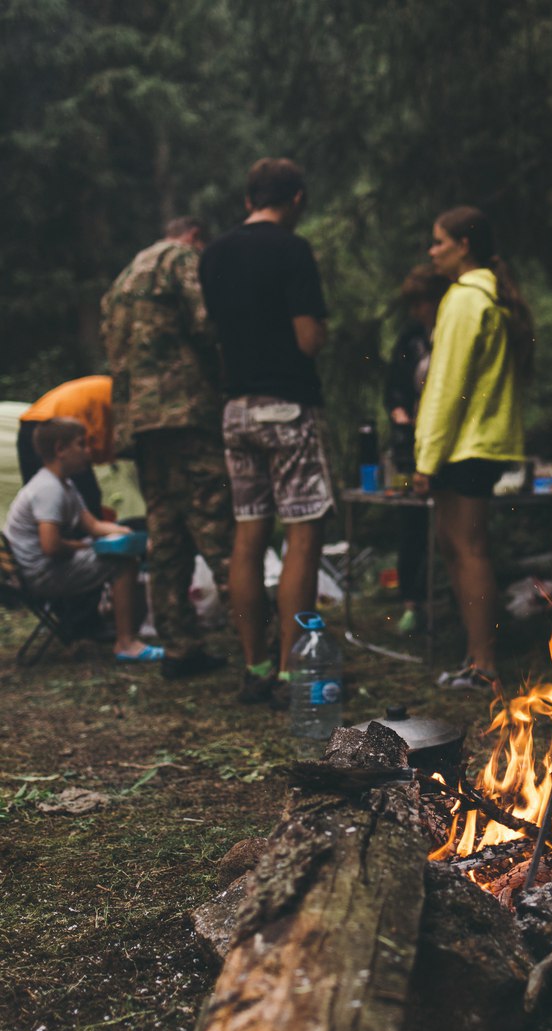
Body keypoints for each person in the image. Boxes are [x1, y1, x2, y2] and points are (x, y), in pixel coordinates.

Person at [199, 157, 333, 709]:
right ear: (297, 199)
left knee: (248, 534)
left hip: (236, 409)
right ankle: (290, 674)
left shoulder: (213, 254)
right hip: (287, 407)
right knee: (302, 533)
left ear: (248, 198)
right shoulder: (292, 249)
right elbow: (308, 340)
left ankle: (255, 667)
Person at [101, 216, 233, 680]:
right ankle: (262, 644)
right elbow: (206, 323)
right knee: (216, 524)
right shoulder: (181, 260)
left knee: (166, 533)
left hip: (140, 421)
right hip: (186, 411)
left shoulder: (123, 278)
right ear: (195, 236)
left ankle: (179, 646)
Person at [413, 205, 533, 691]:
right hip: (472, 442)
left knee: (468, 549)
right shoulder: (487, 295)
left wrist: (426, 459)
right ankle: (473, 658)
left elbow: (447, 386)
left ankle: (484, 664)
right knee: (457, 547)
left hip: (465, 444)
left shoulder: (465, 299)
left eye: (439, 241)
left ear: (464, 246)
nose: (432, 251)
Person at [4, 419, 163, 663]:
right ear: (60, 449)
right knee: (122, 563)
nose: (88, 451)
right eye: (81, 444)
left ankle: (127, 635)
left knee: (123, 553)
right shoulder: (48, 490)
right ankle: (126, 643)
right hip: (39, 575)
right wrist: (87, 546)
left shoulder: (64, 484)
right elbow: (51, 546)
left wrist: (126, 532)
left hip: (38, 571)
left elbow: (93, 526)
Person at [384, 265, 451, 634]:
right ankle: (411, 601)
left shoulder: (452, 331)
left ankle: (455, 598)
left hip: (446, 442)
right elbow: (393, 387)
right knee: (411, 524)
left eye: (421, 303)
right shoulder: (409, 339)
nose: (417, 311)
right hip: (411, 445)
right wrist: (399, 412)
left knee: (453, 525)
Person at [17, 375, 113, 519]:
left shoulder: (117, 389)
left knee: (79, 495)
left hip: (36, 420)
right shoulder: (127, 396)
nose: (87, 451)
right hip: (52, 426)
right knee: (80, 495)